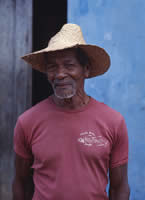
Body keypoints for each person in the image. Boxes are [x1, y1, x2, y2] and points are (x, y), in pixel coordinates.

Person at [12, 23, 130, 200]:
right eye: (52, 67)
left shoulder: (113, 122)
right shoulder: (27, 122)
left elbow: (119, 188)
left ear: (86, 70)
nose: (60, 74)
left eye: (69, 65)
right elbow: (21, 183)